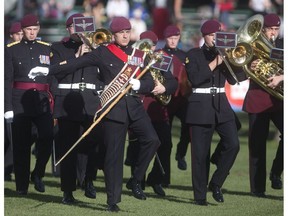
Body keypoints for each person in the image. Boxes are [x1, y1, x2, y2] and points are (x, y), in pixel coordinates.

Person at [29, 16, 161, 212]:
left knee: (152, 140)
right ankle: (112, 201)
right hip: (113, 108)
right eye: (121, 32)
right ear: (114, 35)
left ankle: (135, 180)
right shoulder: (103, 52)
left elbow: (150, 81)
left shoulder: (138, 54)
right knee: (113, 156)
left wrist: (140, 84)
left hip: (134, 107)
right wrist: (47, 69)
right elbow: (74, 65)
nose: (125, 35)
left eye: (127, 32)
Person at [185, 19, 244, 205]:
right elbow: (195, 79)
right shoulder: (193, 54)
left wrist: (235, 61)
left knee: (233, 144)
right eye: (212, 36)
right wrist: (215, 62)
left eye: (218, 36)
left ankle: (216, 183)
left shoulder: (225, 54)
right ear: (205, 36)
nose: (215, 39)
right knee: (200, 155)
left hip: (221, 106)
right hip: (200, 106)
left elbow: (237, 80)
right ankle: (200, 197)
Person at [50, 13, 105, 204]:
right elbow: (55, 71)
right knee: (68, 148)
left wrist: (96, 51)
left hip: (89, 102)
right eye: (75, 27)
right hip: (67, 103)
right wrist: (77, 56)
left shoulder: (97, 49)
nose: (80, 31)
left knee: (95, 143)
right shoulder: (58, 48)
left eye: (83, 27)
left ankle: (89, 179)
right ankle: (68, 191)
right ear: (68, 29)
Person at [4, 14, 54, 195]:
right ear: (22, 31)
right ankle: (22, 186)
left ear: (39, 29)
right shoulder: (11, 49)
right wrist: (7, 107)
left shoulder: (46, 48)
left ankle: (38, 173)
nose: (32, 33)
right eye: (28, 30)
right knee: (21, 145)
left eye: (35, 29)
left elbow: (52, 76)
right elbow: (7, 79)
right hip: (19, 101)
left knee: (48, 136)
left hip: (41, 100)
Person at [127, 30, 178, 197]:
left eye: (154, 45)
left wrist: (164, 87)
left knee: (166, 144)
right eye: (148, 44)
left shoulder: (160, 59)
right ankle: (138, 180)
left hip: (157, 110)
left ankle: (155, 178)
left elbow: (172, 82)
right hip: (139, 108)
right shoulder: (133, 59)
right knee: (138, 146)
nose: (151, 48)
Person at [243, 13, 283, 197]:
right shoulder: (251, 45)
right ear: (262, 29)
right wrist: (250, 66)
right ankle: (257, 189)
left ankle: (276, 172)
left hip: (279, 100)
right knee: (257, 145)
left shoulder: (283, 45)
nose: (273, 33)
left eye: (276, 29)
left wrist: (281, 77)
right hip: (258, 99)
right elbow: (239, 72)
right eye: (270, 29)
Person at [160, 25, 191, 172]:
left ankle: (181, 154)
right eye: (170, 38)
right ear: (165, 38)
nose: (173, 41)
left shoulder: (185, 55)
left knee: (190, 125)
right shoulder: (159, 54)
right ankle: (163, 176)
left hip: (182, 99)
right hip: (165, 100)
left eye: (175, 38)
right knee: (165, 139)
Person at [4, 21, 24, 182]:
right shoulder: (7, 51)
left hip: (14, 97)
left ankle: (7, 168)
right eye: (18, 34)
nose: (20, 37)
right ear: (12, 36)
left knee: (12, 137)